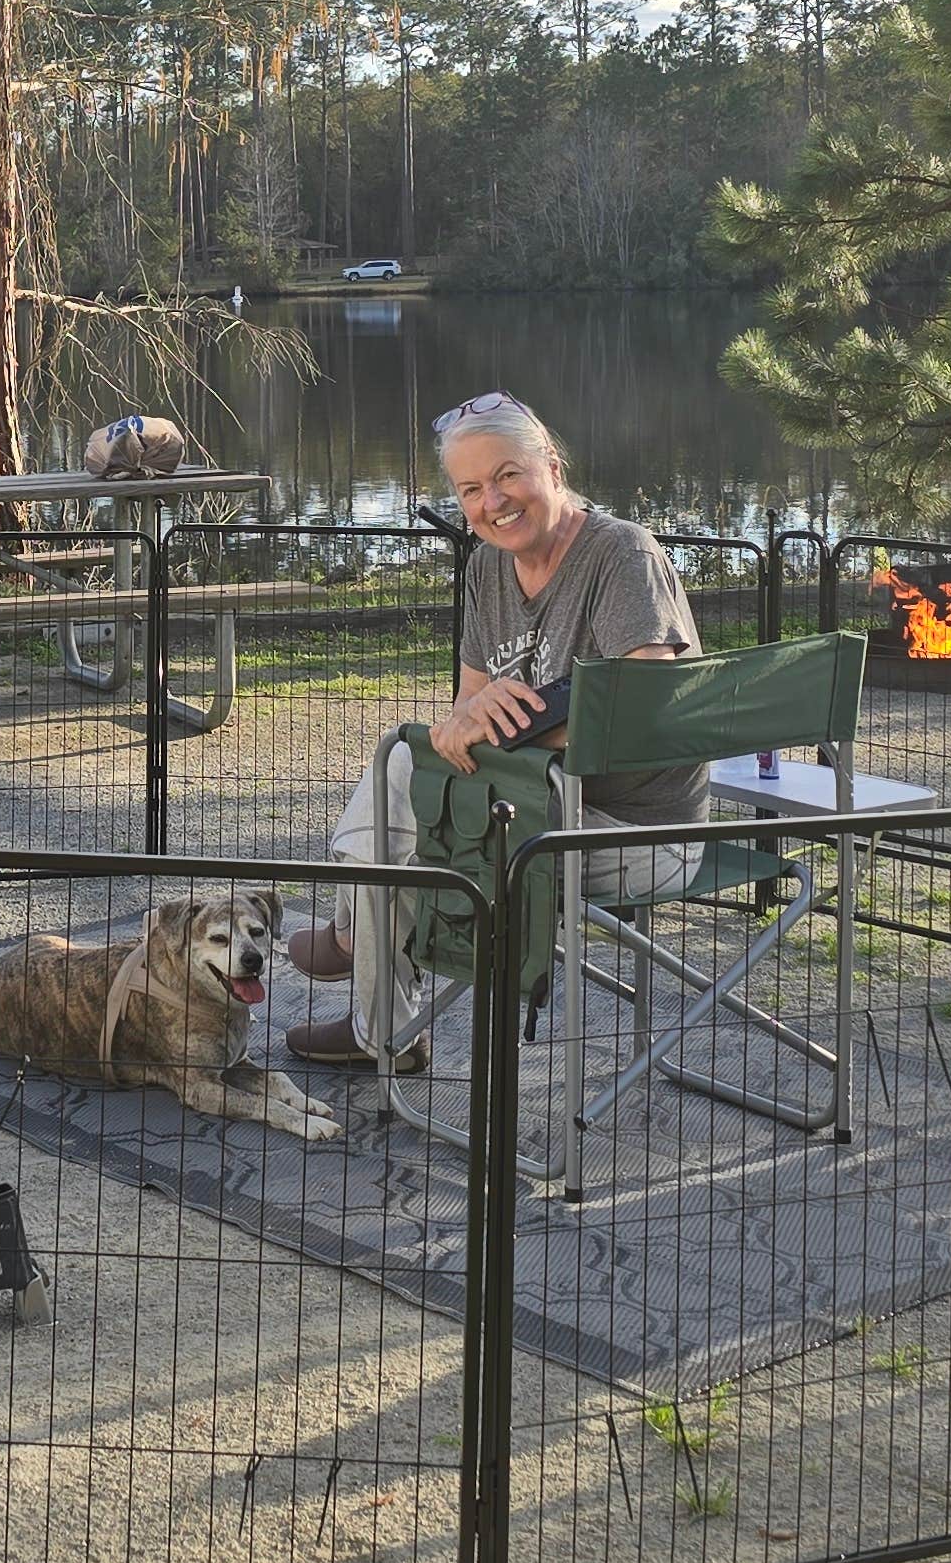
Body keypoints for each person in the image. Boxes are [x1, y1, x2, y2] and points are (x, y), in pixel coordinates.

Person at [285, 390, 705, 1069]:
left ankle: (368, 994)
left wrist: (517, 728)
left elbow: (644, 710)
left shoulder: (622, 553)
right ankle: (372, 996)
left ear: (553, 469)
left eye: (508, 475)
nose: (493, 502)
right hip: (523, 812)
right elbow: (466, 713)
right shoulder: (486, 567)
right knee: (406, 775)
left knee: (398, 792)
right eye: (472, 489)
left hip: (636, 833)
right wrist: (469, 723)